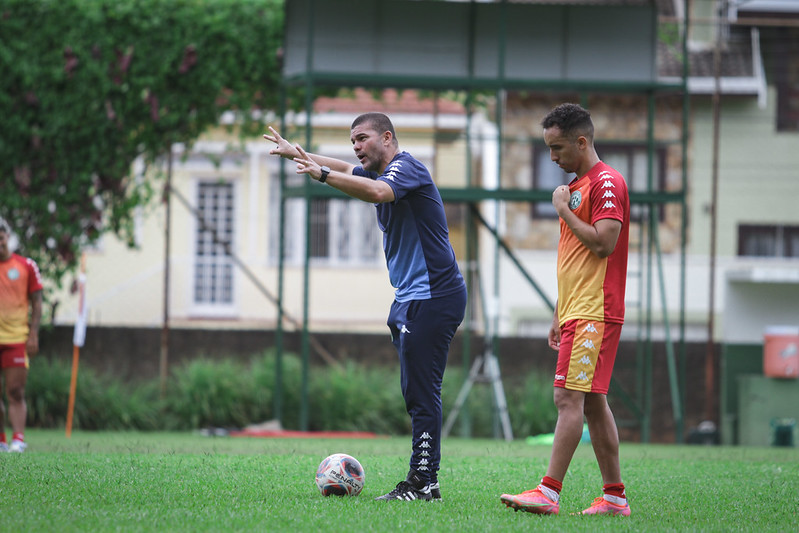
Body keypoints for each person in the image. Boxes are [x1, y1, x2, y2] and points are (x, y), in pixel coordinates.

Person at [264, 112, 467, 501]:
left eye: (362, 138)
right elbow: (343, 167)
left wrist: (320, 175)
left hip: (434, 296)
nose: (356, 147)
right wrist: (297, 154)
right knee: (416, 391)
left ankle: (424, 482)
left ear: (387, 137)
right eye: (352, 140)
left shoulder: (406, 168)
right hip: (410, 299)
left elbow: (375, 193)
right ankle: (425, 480)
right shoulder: (379, 171)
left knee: (423, 393)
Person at [500, 103, 631, 516]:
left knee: (566, 398)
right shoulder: (577, 186)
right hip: (578, 309)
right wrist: (560, 312)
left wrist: (562, 210)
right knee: (591, 402)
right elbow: (575, 256)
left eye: (557, 148)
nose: (552, 158)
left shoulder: (606, 182)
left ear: (581, 141)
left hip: (595, 309)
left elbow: (602, 243)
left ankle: (549, 492)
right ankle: (614, 498)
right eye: (548, 149)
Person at [0, 218, 43, 453]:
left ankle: (18, 439)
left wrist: (33, 334)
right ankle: (1, 440)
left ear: (7, 237)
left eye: (1, 237)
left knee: (15, 391)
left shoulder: (26, 266)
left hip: (16, 338)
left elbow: (37, 302)